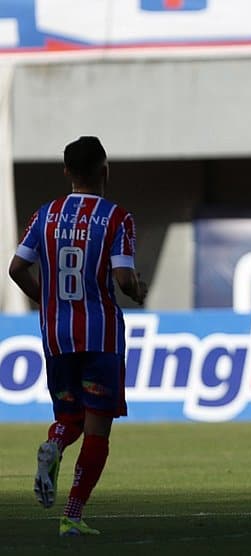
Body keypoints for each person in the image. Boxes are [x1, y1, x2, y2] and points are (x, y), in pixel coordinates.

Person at [8, 136, 147, 536]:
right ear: (105, 171)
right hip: (100, 335)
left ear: (67, 172)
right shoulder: (118, 218)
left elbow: (17, 268)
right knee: (97, 427)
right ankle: (72, 515)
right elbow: (122, 277)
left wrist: (44, 301)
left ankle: (53, 443)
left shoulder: (46, 214)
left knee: (69, 417)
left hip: (56, 334)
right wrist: (137, 290)